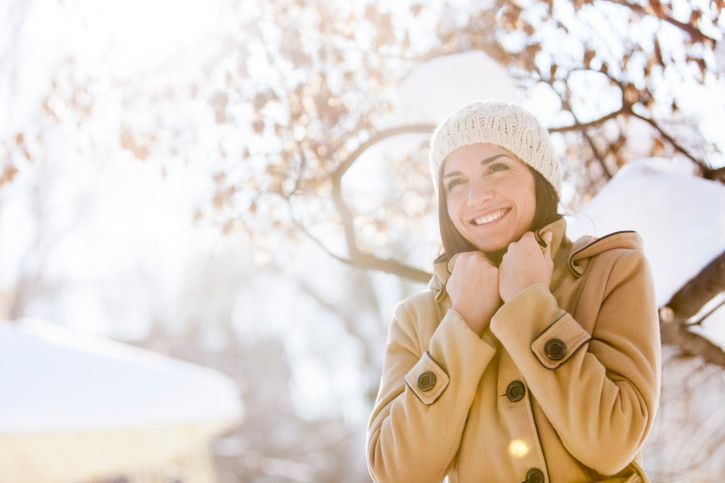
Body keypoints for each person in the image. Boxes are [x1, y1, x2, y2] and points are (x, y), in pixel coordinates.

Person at [365, 100, 661, 483]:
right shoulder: (418, 318)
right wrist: (462, 326)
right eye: (456, 183)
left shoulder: (611, 272)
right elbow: (397, 473)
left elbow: (612, 442)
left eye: (498, 168)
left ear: (540, 178)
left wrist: (530, 305)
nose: (476, 197)